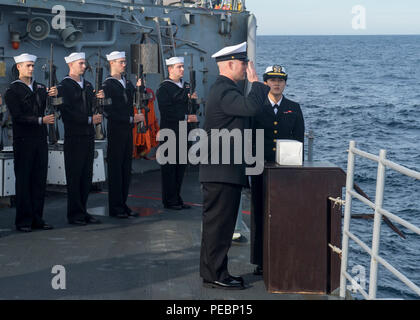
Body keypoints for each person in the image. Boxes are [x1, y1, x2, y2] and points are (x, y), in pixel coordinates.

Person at [199, 42, 270, 290]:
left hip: (222, 171)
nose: (246, 68)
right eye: (243, 64)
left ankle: (213, 273)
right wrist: (258, 83)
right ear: (229, 64)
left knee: (217, 226)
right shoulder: (225, 90)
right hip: (221, 171)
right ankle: (216, 274)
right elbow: (251, 107)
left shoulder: (224, 90)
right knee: (219, 227)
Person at [250, 65, 305, 275]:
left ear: (285, 83)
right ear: (265, 83)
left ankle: (281, 257)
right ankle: (260, 260)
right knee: (259, 214)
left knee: (283, 214)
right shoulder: (256, 107)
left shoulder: (294, 107)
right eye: (272, 79)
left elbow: (299, 139)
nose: (276, 83)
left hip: (285, 170)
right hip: (260, 169)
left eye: (280, 80)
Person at [3, 53, 56, 232]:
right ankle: (23, 221)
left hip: (40, 139)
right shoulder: (12, 91)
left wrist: (56, 96)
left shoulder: (41, 88)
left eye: (32, 65)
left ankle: (37, 218)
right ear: (18, 67)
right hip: (24, 140)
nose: (31, 69)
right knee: (24, 180)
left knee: (39, 180)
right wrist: (40, 120)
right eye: (28, 65)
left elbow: (53, 106)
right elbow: (17, 117)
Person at [57, 52, 103, 226]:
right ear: (71, 65)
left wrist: (101, 100)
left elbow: (95, 107)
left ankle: (83, 211)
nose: (84, 66)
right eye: (81, 63)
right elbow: (67, 113)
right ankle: (74, 214)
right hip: (74, 136)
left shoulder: (88, 85)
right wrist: (89, 120)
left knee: (86, 176)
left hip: (88, 136)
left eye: (84, 63)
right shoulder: (64, 87)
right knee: (75, 175)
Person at [101, 51, 144, 218]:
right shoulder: (107, 85)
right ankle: (115, 207)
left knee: (126, 169)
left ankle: (123, 204)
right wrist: (131, 119)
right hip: (117, 131)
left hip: (127, 132)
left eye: (125, 61)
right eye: (121, 62)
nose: (124, 64)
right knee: (116, 170)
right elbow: (108, 112)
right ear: (112, 63)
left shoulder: (126, 83)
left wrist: (140, 88)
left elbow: (138, 98)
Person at [156, 56, 198, 210]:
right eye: (178, 67)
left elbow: (192, 109)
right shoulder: (164, 88)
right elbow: (166, 111)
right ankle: (169, 200)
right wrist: (186, 117)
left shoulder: (186, 86)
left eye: (182, 67)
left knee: (181, 167)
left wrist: (194, 102)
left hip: (184, 132)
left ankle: (177, 198)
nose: (182, 69)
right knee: (169, 168)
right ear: (170, 69)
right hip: (170, 132)